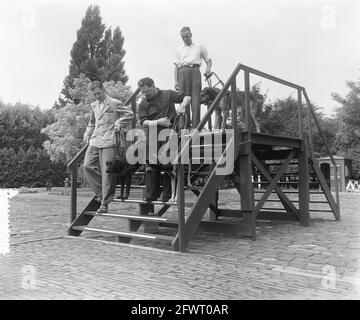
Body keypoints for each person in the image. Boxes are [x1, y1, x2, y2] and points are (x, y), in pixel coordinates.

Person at [83, 80, 134, 213]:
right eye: (94, 94)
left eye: (98, 93)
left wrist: (119, 122)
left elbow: (130, 113)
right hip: (95, 139)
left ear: (103, 90)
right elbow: (91, 122)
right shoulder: (93, 105)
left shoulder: (114, 103)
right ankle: (102, 193)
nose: (96, 96)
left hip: (109, 139)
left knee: (107, 172)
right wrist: (87, 133)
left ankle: (104, 203)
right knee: (87, 166)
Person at [137, 77, 191, 202]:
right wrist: (158, 122)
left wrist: (182, 106)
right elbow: (143, 122)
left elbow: (187, 96)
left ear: (153, 86)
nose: (145, 94)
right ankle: (152, 194)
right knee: (152, 165)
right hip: (153, 135)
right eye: (142, 92)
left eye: (146, 91)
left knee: (168, 164)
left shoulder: (168, 94)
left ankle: (167, 196)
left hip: (170, 133)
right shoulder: (143, 103)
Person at [174, 26, 213, 129]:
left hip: (195, 71)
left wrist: (208, 69)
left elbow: (208, 60)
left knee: (196, 100)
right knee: (183, 100)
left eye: (187, 36)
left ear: (191, 35)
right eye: (183, 37)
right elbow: (176, 67)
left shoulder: (199, 47)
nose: (185, 39)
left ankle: (196, 128)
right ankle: (184, 129)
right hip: (182, 72)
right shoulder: (179, 49)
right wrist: (176, 81)